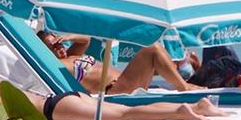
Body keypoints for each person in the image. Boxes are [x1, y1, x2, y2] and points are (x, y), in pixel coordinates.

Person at [0, 67, 229, 120]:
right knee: (125, 111)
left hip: (56, 109)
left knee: (127, 114)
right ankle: (198, 105)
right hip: (64, 100)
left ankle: (181, 110)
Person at [38, 31, 200, 95]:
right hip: (116, 90)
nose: (60, 47)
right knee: (153, 49)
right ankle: (184, 86)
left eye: (59, 43)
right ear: (44, 51)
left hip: (124, 82)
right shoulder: (59, 67)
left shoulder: (71, 56)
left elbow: (86, 39)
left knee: (155, 54)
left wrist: (67, 37)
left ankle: (184, 77)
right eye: (53, 46)